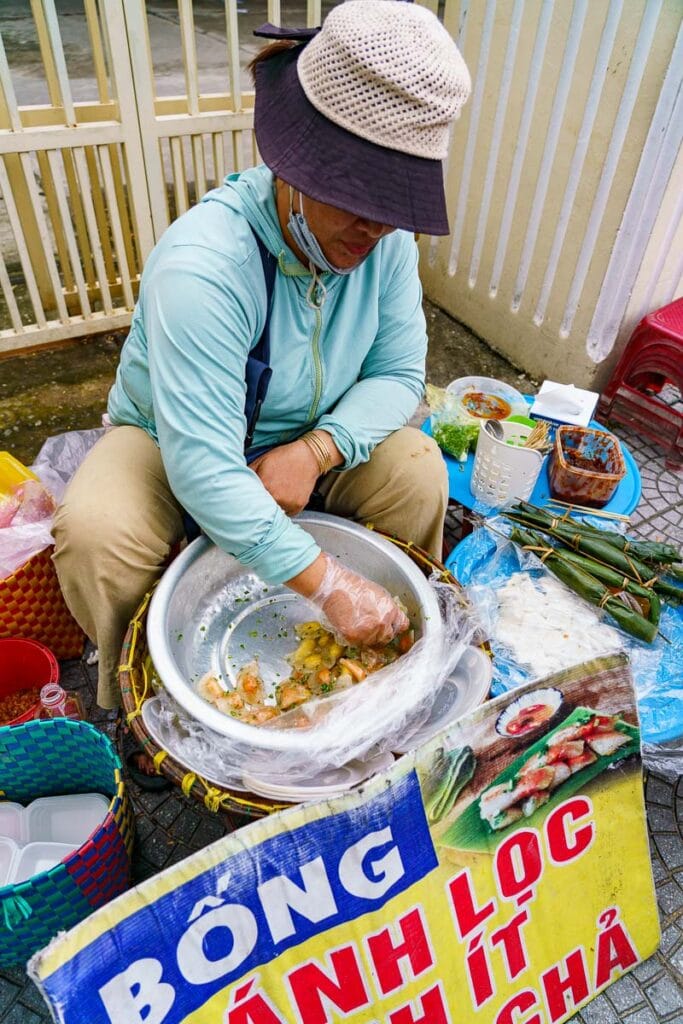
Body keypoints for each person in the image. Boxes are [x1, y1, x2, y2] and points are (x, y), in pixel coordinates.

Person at [53, 0, 471, 711]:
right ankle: (144, 703)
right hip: (169, 438)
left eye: (390, 201)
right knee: (97, 531)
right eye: (353, 195)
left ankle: (381, 663)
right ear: (293, 165)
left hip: (305, 438)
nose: (374, 226)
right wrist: (324, 582)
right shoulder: (204, 266)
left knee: (417, 471)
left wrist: (316, 451)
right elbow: (205, 467)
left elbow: (398, 376)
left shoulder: (387, 244)